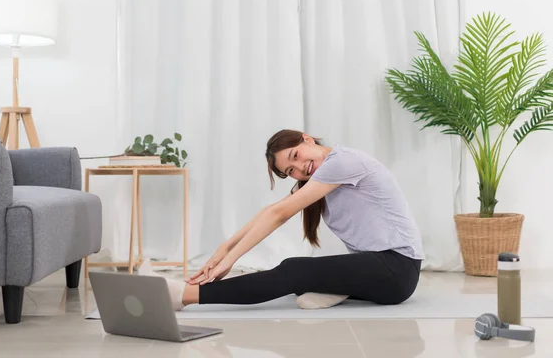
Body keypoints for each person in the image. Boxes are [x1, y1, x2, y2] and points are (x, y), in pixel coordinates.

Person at [151, 129, 424, 311]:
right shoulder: (316, 180)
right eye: (290, 170)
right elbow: (269, 211)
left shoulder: (344, 162)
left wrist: (230, 259)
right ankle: (334, 288)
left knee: (294, 270)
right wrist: (225, 247)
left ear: (307, 139)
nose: (299, 168)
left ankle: (183, 296)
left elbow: (278, 215)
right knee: (296, 272)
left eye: (296, 156)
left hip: (398, 268)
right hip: (381, 269)